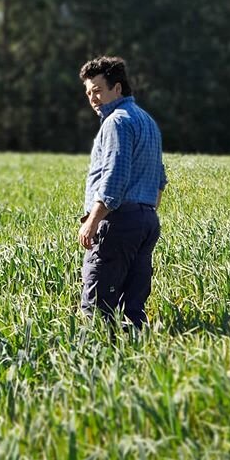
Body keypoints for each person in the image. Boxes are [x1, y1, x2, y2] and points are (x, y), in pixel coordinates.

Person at [78, 56, 167, 329]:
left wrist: (93, 221)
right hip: (147, 221)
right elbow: (160, 179)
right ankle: (137, 360)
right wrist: (146, 212)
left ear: (117, 89)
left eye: (98, 91)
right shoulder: (147, 121)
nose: (93, 98)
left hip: (118, 220)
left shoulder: (116, 122)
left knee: (97, 307)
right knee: (132, 308)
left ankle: (98, 362)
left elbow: (115, 177)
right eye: (89, 92)